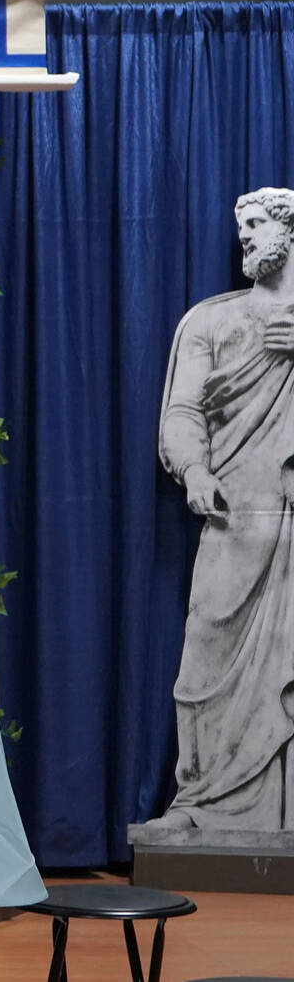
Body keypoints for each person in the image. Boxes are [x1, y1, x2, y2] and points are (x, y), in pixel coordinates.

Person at [153, 186, 294, 830]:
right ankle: (202, 801)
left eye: (259, 223)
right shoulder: (209, 320)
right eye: (243, 225)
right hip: (236, 512)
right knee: (206, 649)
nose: (246, 236)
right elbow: (183, 410)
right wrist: (195, 468)